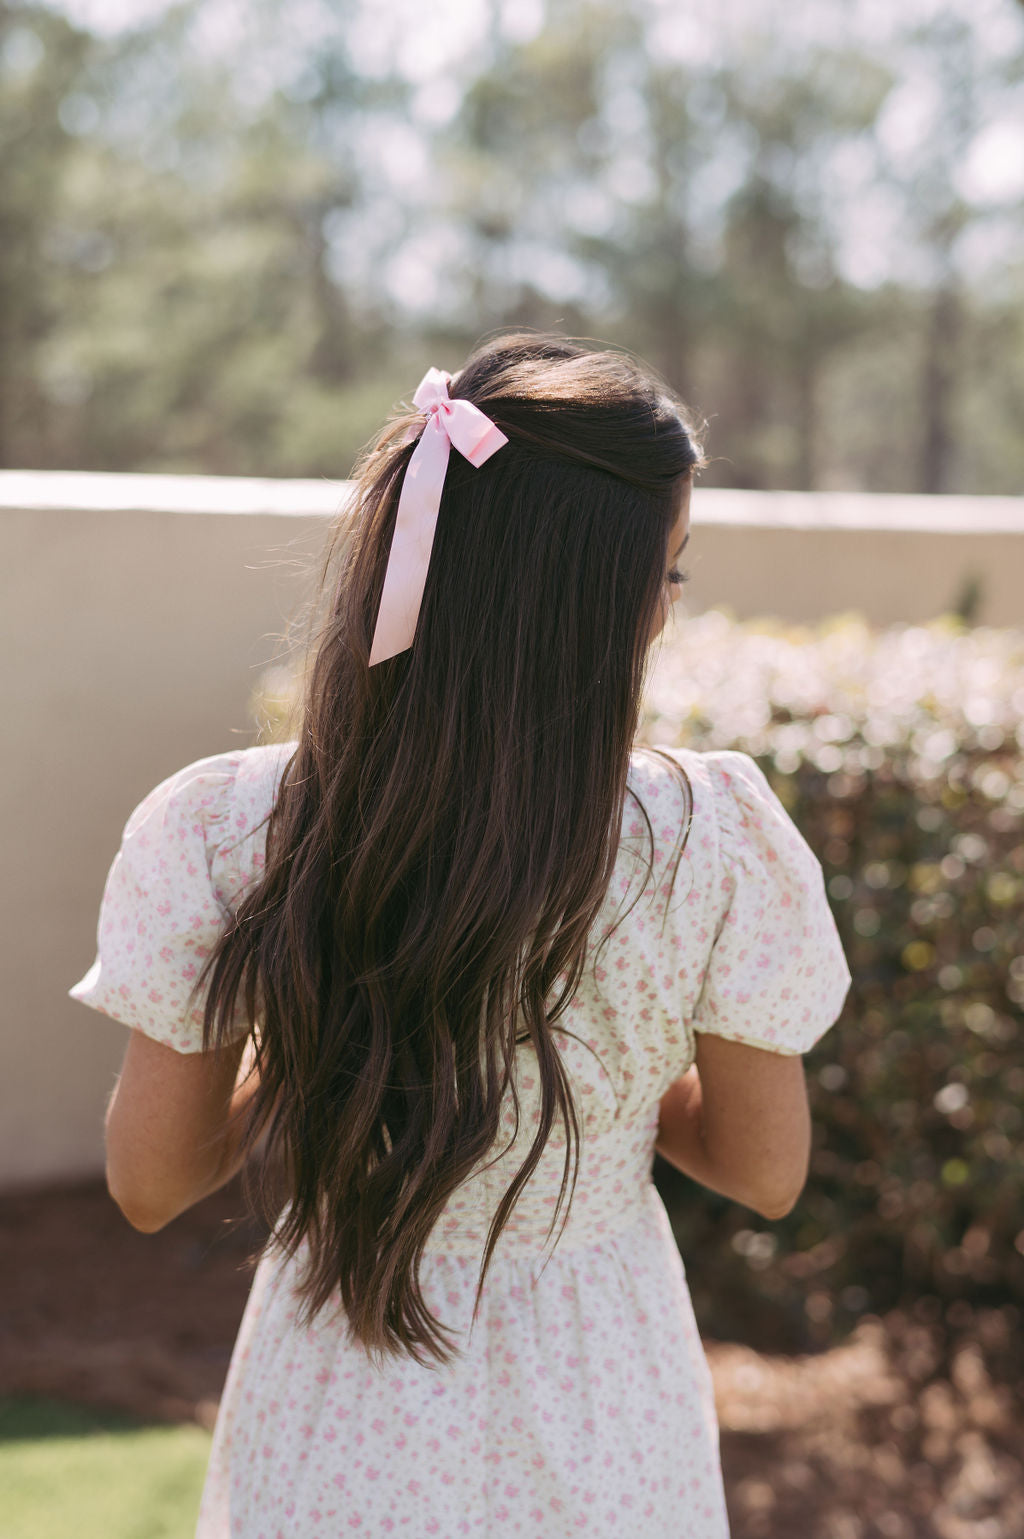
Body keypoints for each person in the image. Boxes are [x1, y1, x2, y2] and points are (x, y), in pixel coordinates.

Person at [69, 332, 852, 1538]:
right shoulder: (708, 837)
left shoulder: (221, 827)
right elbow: (763, 1168)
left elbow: (152, 1181)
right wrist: (613, 1082)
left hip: (338, 1400)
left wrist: (322, 1031)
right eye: (670, 570)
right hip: (602, 1398)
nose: (667, 604)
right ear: (598, 599)